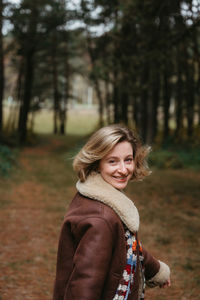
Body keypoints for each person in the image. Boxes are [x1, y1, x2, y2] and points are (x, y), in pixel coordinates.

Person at [53, 124, 171, 300]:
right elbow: (85, 283)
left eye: (128, 159)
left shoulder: (102, 200)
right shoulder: (101, 219)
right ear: (97, 162)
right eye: (112, 161)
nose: (123, 170)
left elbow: (125, 243)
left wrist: (155, 270)